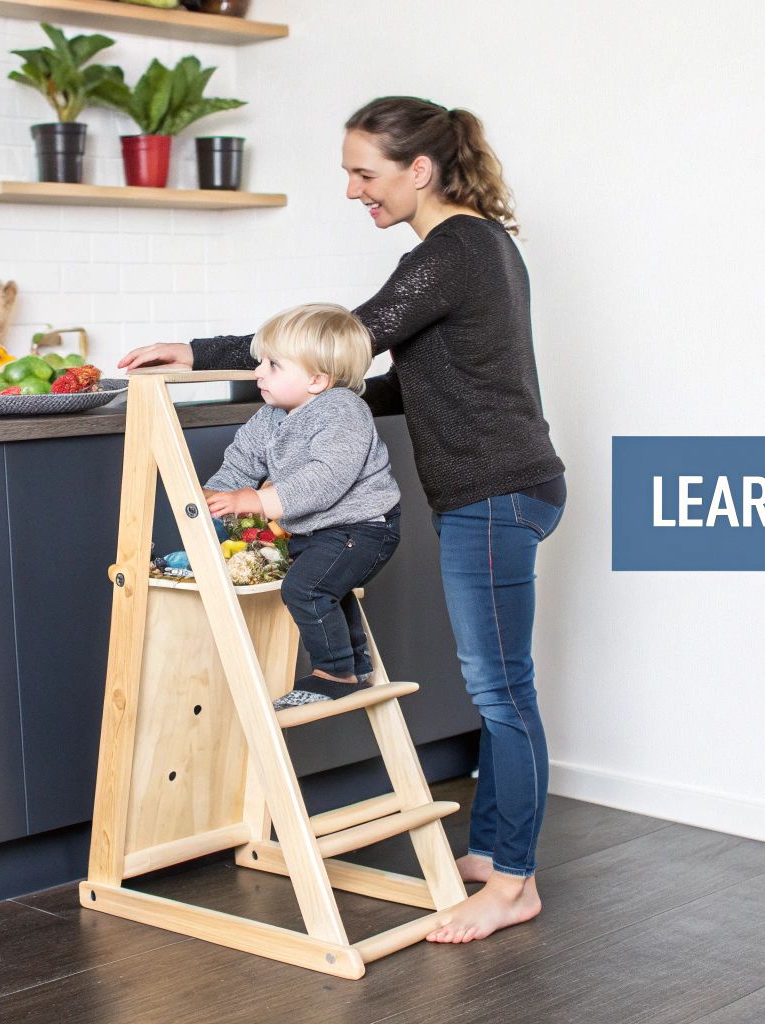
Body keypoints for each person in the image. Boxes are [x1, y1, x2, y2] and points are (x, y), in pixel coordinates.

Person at [121, 96, 565, 945]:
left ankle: (513, 884)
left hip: (497, 493)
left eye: (366, 173)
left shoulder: (455, 248)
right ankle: (496, 853)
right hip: (505, 489)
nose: (356, 190)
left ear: (419, 170)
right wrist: (322, 401)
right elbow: (403, 383)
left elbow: (346, 341)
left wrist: (205, 351)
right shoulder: (479, 248)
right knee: (502, 689)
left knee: (502, 693)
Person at [200, 303, 403, 709]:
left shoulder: (343, 412)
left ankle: (336, 673)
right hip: (322, 530)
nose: (258, 372)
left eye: (273, 365)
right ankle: (357, 664)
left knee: (306, 587)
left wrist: (257, 500)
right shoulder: (271, 416)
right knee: (328, 586)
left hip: (363, 528)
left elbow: (325, 478)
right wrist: (214, 494)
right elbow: (242, 461)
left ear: (317, 379)